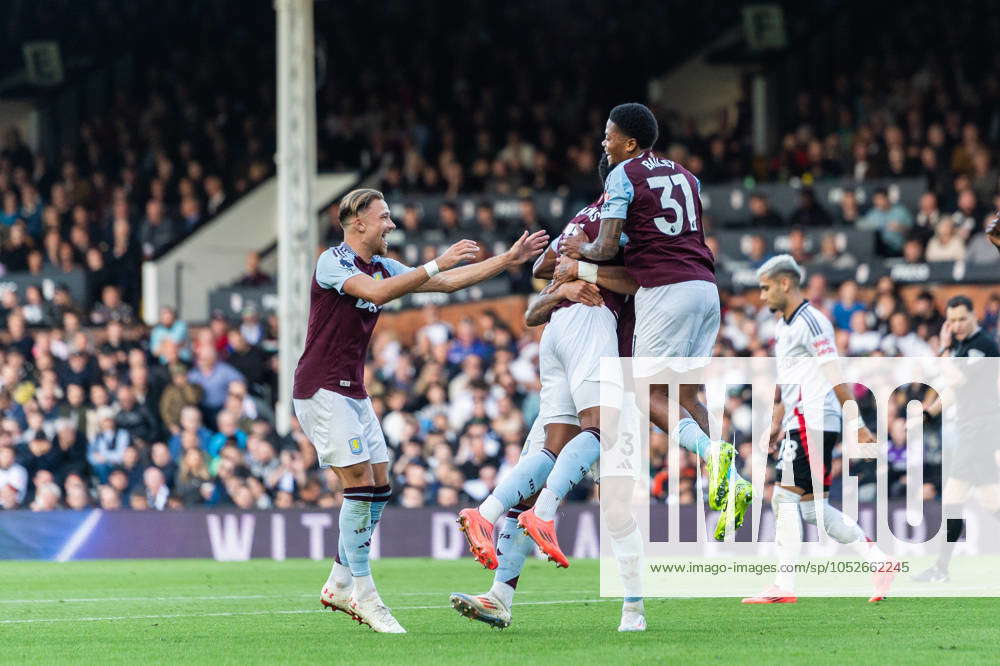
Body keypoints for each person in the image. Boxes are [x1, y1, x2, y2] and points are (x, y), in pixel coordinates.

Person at [296, 188, 547, 633]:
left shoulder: (381, 265)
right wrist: (436, 262)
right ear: (358, 223)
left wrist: (507, 260)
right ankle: (364, 595)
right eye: (384, 218)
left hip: (353, 391)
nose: (391, 225)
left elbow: (446, 284)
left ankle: (338, 580)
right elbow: (379, 292)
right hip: (319, 388)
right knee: (358, 483)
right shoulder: (333, 261)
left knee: (379, 485)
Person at [451, 155, 649, 632]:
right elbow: (637, 282)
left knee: (548, 458)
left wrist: (568, 271)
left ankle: (491, 537)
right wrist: (583, 273)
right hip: (594, 341)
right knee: (614, 490)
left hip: (558, 339)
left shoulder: (581, 220)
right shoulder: (619, 226)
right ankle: (633, 608)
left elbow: (543, 275)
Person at [558, 102, 743, 536]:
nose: (604, 143)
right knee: (687, 391)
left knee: (645, 391)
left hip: (665, 289)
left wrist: (576, 253)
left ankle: (715, 456)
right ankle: (728, 481)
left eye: (609, 135)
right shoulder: (686, 175)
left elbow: (603, 249)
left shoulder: (624, 174)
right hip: (704, 287)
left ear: (630, 142)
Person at [742, 255, 895, 604]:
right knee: (812, 510)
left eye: (765, 288)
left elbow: (834, 373)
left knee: (782, 498)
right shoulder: (783, 327)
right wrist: (776, 420)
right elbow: (788, 381)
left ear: (785, 284)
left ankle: (784, 584)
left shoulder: (812, 322)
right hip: (801, 419)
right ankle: (879, 561)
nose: (761, 296)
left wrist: (856, 423)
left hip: (814, 419)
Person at [912, 295, 1000, 583]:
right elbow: (955, 388)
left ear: (974, 316)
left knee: (953, 496)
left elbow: (959, 379)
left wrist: (943, 350)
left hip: (980, 430)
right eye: (953, 320)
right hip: (973, 430)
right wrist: (931, 412)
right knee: (992, 502)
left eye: (963, 319)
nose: (958, 324)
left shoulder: (983, 346)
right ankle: (941, 569)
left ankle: (941, 569)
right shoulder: (962, 347)